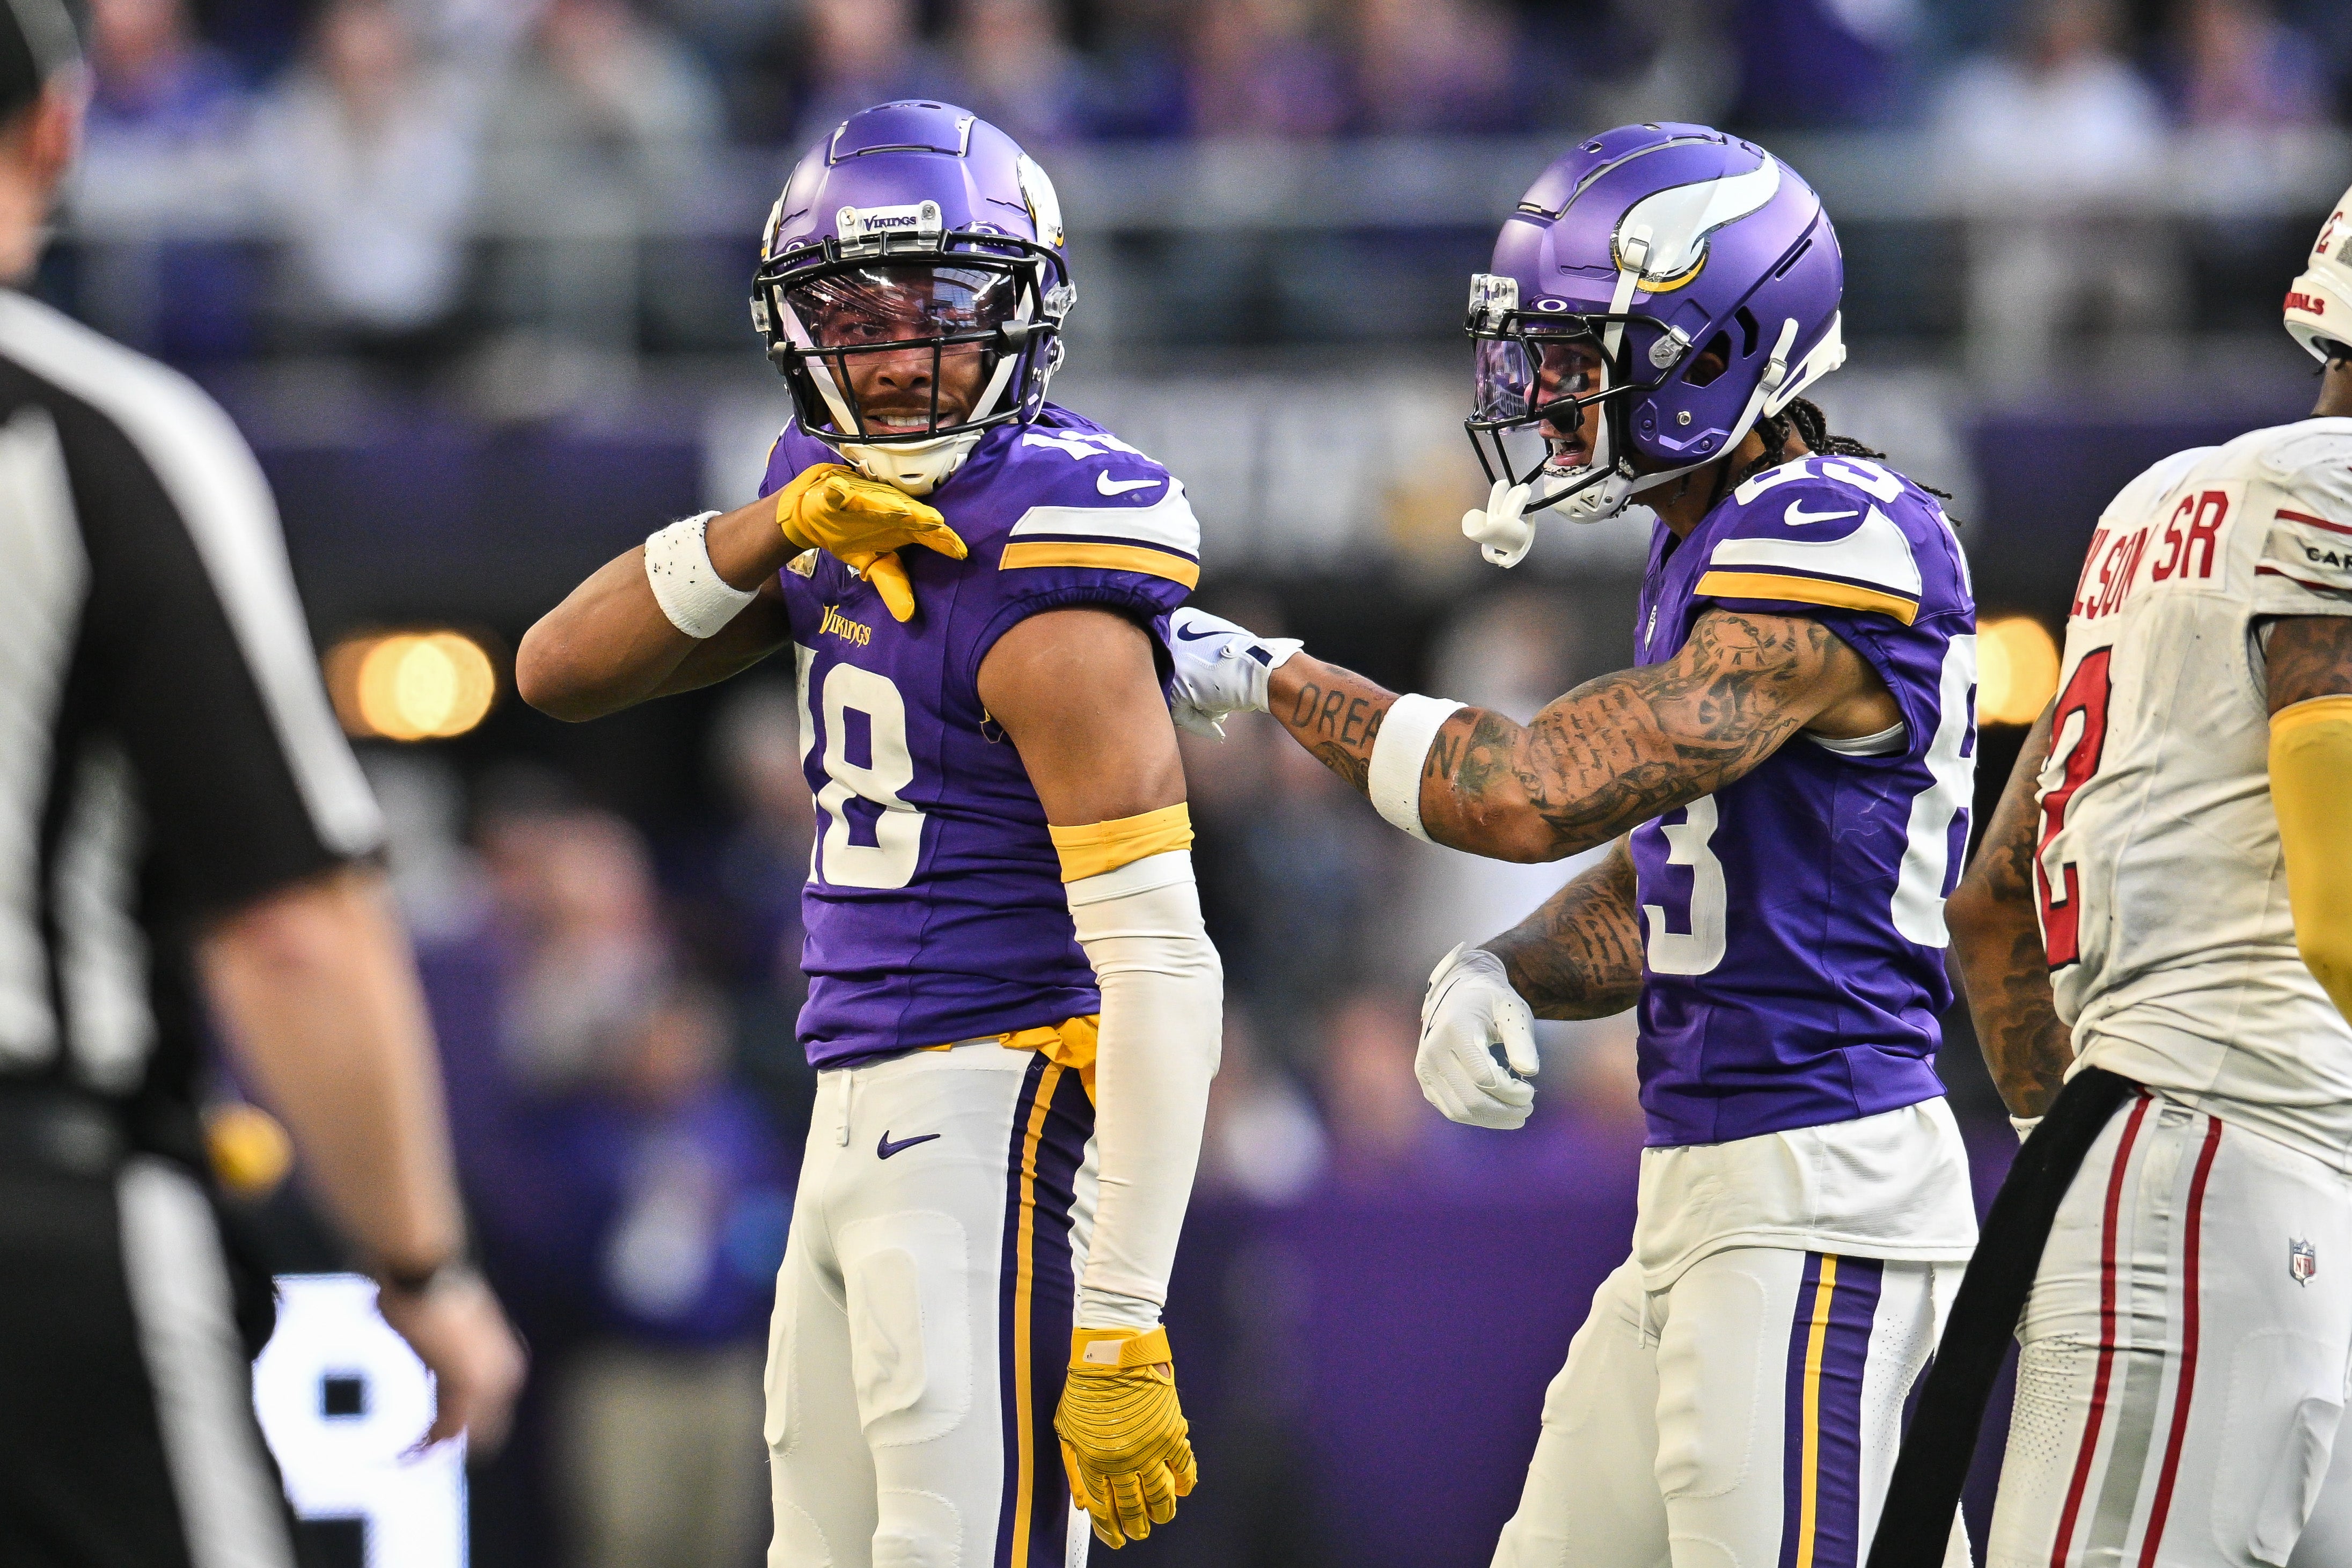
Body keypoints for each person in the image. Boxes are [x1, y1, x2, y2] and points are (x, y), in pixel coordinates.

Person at [1167, 122, 1979, 1567]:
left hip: (1820, 1196)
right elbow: (1681, 867)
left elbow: (1534, 789)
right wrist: (1505, 963)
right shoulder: (1714, 537)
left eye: (1582, 350)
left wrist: (1279, 675)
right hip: (1713, 1185)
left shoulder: (1837, 532)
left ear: (1720, 349)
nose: (1545, 390)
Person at [516, 101, 1223, 1563]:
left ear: (1025, 317)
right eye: (856, 314)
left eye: (944, 313)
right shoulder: (819, 500)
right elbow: (555, 669)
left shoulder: (1052, 572)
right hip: (850, 1117)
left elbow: (1164, 967)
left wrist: (1126, 1321)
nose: (899, 357)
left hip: (997, 1111)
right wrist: (772, 528)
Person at [0, 4, 525, 1562]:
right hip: (41, 1216)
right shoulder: (98, 442)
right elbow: (294, 927)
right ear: (60, 133)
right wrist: (419, 1266)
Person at [1891, 184, 2352, 1568]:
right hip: (2232, 1160)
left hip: (2184, 1161)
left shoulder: (2162, 502)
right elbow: (2338, 909)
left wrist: (2082, 1151)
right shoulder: (2330, 502)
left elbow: (1991, 908)